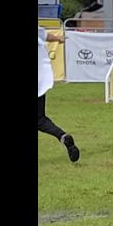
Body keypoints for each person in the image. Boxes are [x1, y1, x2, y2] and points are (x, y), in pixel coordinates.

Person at [38, 26, 80, 163]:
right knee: (40, 120)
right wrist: (58, 38)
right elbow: (45, 35)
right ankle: (63, 136)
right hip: (40, 79)